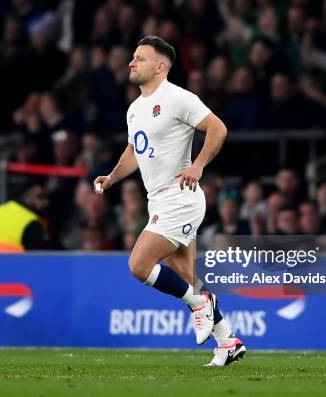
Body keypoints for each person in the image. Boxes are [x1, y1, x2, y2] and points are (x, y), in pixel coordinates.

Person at [93, 36, 245, 367]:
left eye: (140, 58)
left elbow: (217, 128)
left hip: (181, 197)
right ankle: (228, 341)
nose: (132, 62)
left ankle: (198, 306)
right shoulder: (135, 109)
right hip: (158, 200)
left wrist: (199, 164)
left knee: (138, 265)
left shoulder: (178, 98)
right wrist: (112, 177)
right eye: (133, 57)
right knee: (189, 280)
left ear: (160, 66)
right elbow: (135, 151)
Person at [0, 185, 51, 252]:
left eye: (46, 198)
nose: (46, 202)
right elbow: (40, 258)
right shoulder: (30, 221)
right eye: (40, 197)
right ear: (27, 198)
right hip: (9, 267)